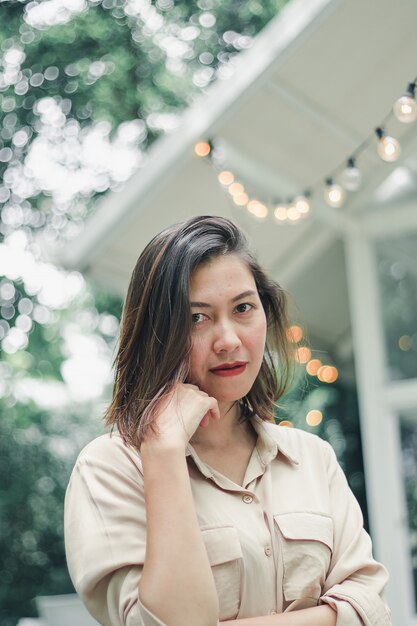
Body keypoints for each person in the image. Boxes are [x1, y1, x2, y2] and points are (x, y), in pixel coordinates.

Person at [64, 215, 391, 626]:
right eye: (196, 317)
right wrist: (163, 452)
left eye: (243, 308)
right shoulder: (110, 469)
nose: (229, 340)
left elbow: (372, 610)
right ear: (158, 333)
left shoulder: (313, 458)